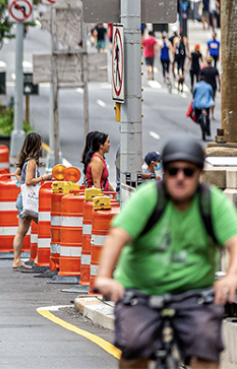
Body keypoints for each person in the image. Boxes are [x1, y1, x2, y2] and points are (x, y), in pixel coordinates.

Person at [93, 139, 237, 369]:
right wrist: (105, 277)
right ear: (165, 172)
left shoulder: (212, 203)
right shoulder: (148, 198)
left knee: (206, 354)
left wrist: (231, 277)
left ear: (199, 173)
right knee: (135, 349)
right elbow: (116, 238)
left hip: (194, 294)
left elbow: (235, 242)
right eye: (173, 171)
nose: (180, 177)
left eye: (188, 171)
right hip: (140, 290)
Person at [12, 133, 51, 270]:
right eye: (40, 143)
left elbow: (18, 174)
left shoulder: (25, 160)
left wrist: (21, 184)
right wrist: (43, 178)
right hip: (29, 200)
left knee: (21, 231)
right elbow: (29, 181)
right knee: (46, 226)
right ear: (37, 145)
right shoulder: (32, 162)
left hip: (22, 199)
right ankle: (39, 259)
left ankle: (16, 260)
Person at [193, 77, 216, 141]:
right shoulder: (209, 86)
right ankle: (208, 130)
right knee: (207, 117)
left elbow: (193, 93)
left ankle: (199, 121)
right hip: (206, 104)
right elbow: (211, 94)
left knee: (197, 116)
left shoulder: (197, 85)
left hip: (198, 104)